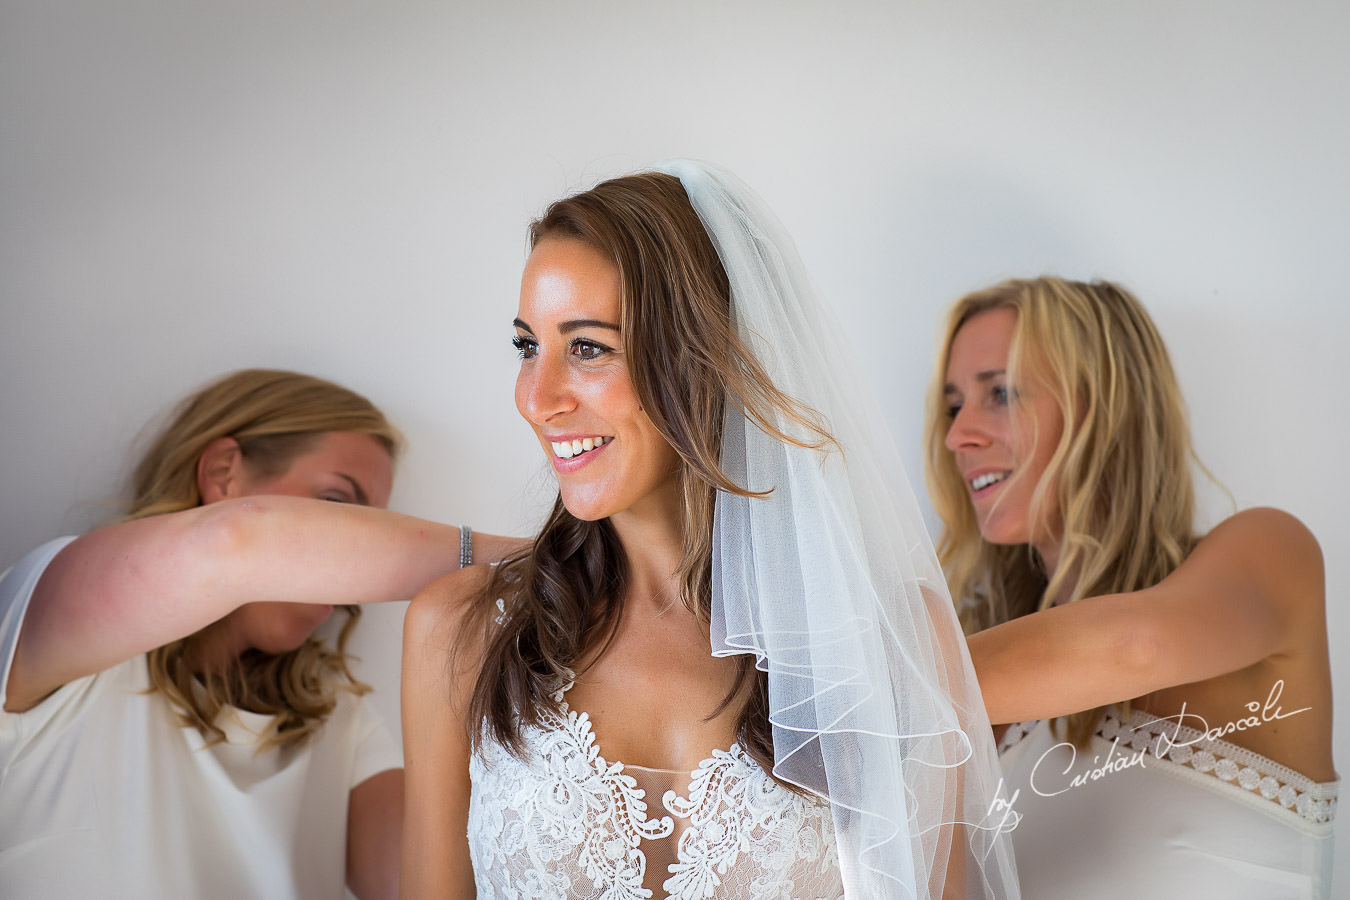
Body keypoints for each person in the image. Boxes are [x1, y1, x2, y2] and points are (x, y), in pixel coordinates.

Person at [401, 162, 1019, 899]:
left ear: (702, 358)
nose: (537, 398)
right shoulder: (462, 632)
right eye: (527, 345)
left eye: (589, 347)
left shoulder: (884, 637)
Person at [0, 368, 518, 900]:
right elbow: (236, 542)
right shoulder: (46, 617)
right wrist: (549, 566)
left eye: (372, 530)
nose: (356, 572)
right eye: (338, 508)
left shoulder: (335, 713)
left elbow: (427, 887)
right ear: (223, 472)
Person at [926, 277, 1336, 897]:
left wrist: (863, 671)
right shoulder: (990, 714)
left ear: (1105, 405)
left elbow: (1137, 646)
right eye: (955, 406)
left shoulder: (1272, 552)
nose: (959, 435)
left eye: (1001, 393)